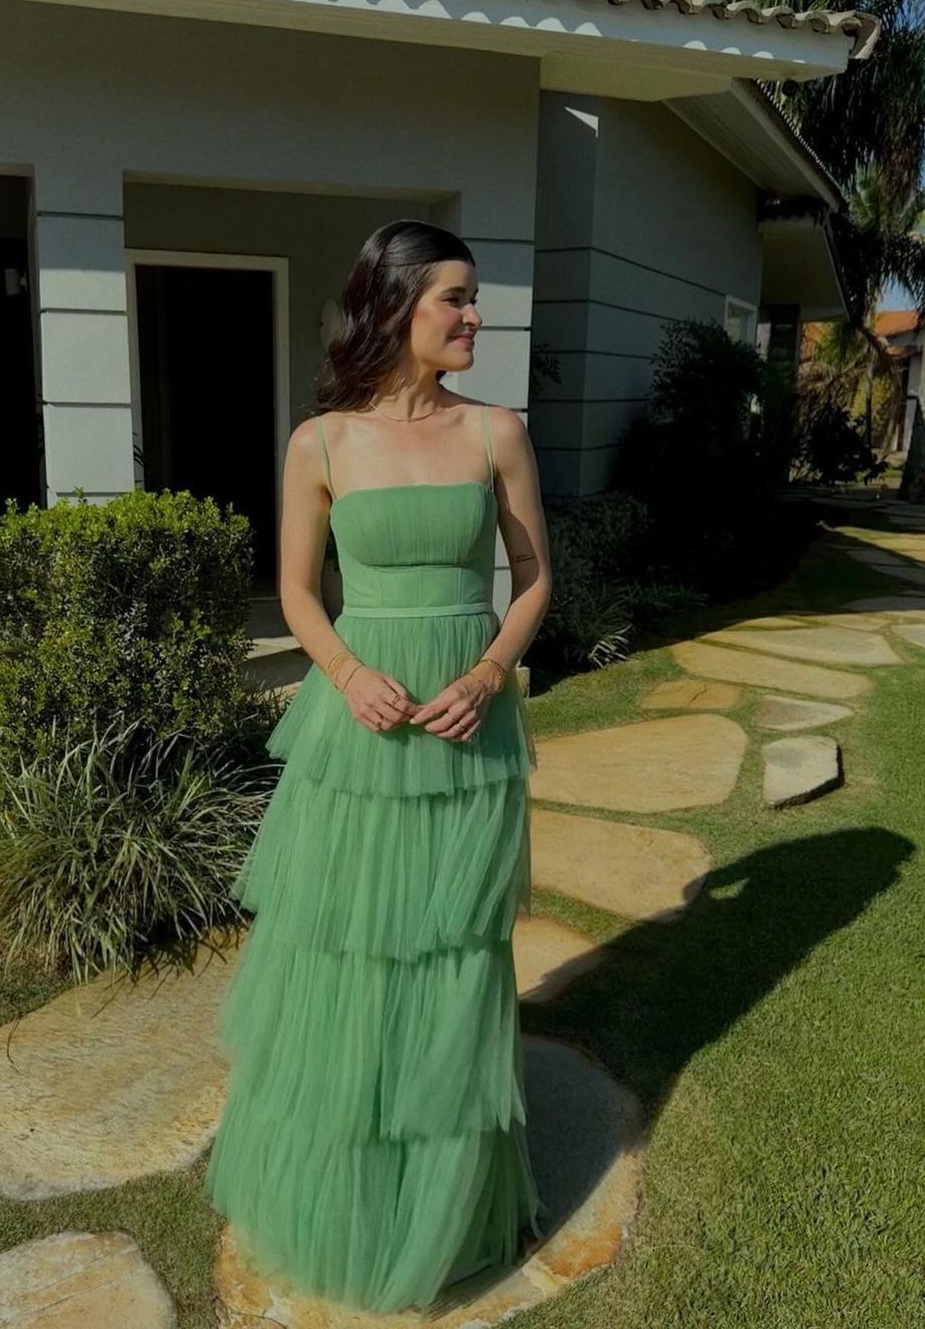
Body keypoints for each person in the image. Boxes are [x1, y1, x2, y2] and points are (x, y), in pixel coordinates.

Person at [204, 218, 553, 1314]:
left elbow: (536, 579)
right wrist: (348, 673)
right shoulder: (320, 442)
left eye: (473, 296)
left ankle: (444, 1206)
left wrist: (492, 672)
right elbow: (298, 593)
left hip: (464, 726)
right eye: (454, 297)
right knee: (347, 958)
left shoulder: (497, 431)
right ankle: (345, 1198)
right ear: (394, 305)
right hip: (356, 732)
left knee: (451, 958)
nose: (474, 316)